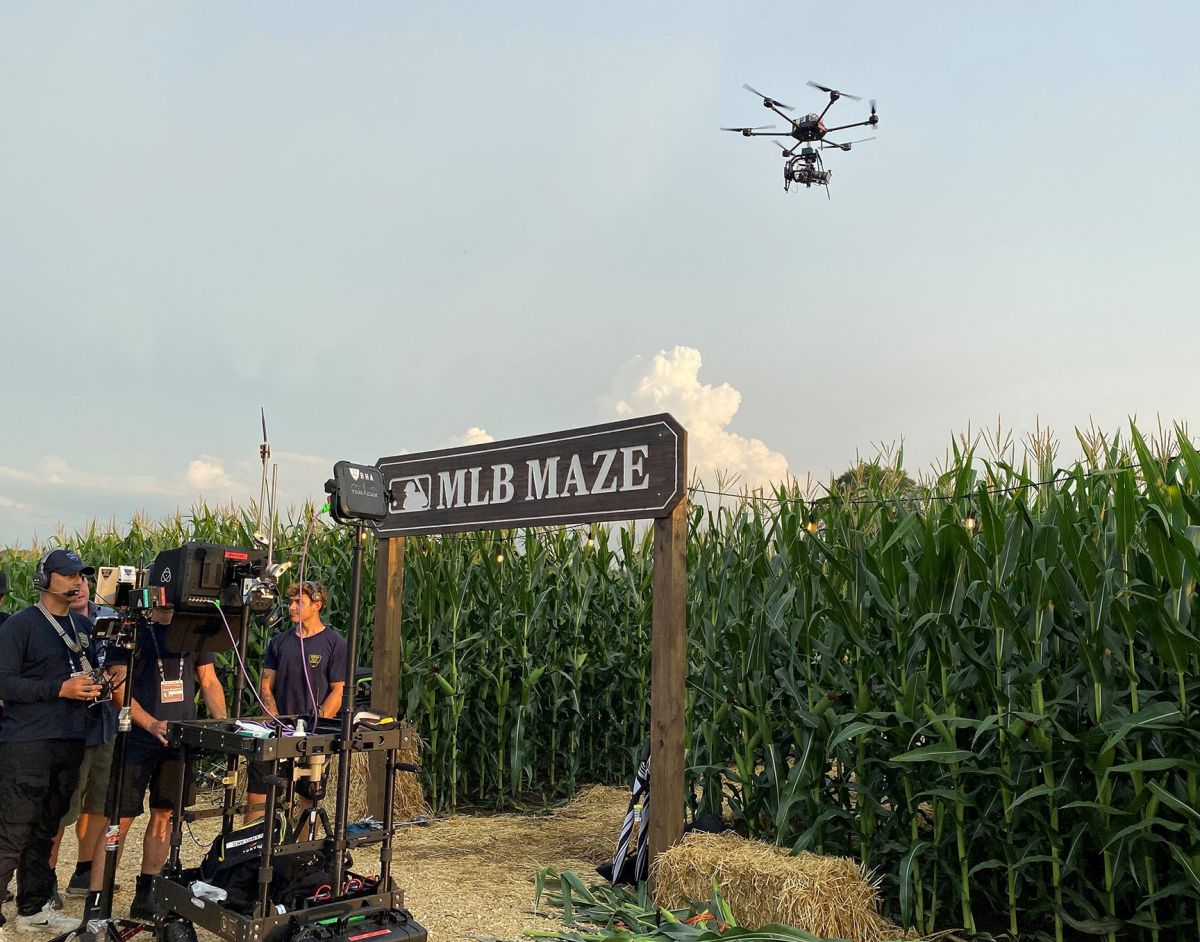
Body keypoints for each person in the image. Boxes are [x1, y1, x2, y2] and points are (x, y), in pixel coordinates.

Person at [82, 603, 227, 922]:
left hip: (179, 737)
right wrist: (149, 723)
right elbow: (118, 685)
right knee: (119, 820)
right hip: (137, 735)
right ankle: (96, 899)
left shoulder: (190, 629)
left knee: (165, 815)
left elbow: (209, 679)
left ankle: (147, 893)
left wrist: (224, 726)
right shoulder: (130, 627)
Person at [0, 549, 105, 934]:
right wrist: (59, 688)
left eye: (81, 574)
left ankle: (32, 908)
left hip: (70, 740)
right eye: (67, 574)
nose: (76, 581)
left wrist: (95, 688)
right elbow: (4, 682)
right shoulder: (19, 626)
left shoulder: (82, 629)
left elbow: (87, 673)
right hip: (27, 743)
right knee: (12, 831)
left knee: (45, 830)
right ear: (45, 579)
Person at [246, 581, 347, 830]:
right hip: (278, 730)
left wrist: (319, 724)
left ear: (317, 605)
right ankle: (251, 851)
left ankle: (301, 856)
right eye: (290, 602)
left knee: (308, 798)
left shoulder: (334, 643)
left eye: (298, 603)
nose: (291, 608)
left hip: (312, 734)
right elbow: (266, 686)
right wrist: (276, 721)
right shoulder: (279, 642)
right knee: (259, 793)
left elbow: (338, 689)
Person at [49, 575, 118, 898]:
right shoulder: (49, 621)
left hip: (105, 724)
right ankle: (43, 878)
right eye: (70, 581)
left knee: (99, 806)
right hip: (68, 728)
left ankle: (83, 871)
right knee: (60, 810)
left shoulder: (110, 619)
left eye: (83, 582)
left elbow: (122, 664)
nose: (78, 588)